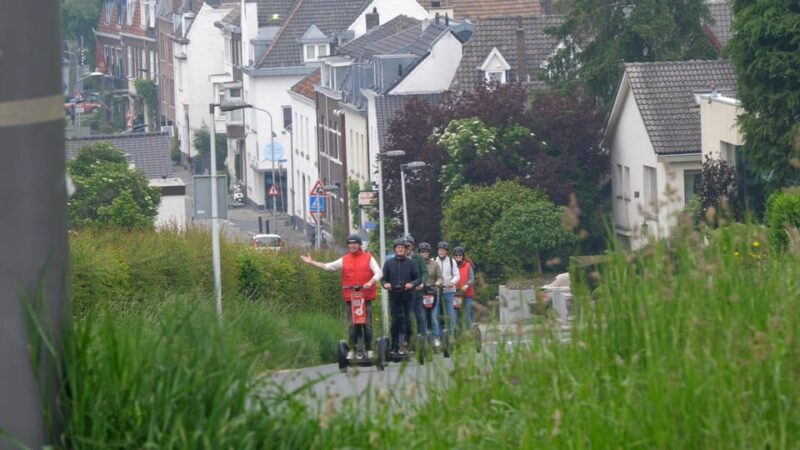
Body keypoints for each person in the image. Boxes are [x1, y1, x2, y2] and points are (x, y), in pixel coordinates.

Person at [301, 234, 381, 359]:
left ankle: (369, 348)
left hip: (366, 296)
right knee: (353, 325)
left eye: (355, 243)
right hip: (351, 297)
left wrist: (370, 282)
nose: (352, 245)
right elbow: (328, 267)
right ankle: (352, 349)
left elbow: (378, 272)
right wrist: (311, 262)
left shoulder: (368, 258)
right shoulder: (345, 259)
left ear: (359, 245)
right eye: (350, 243)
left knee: (367, 325)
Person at [381, 238, 421, 354]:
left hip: (408, 296)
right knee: (395, 321)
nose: (400, 250)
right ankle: (394, 345)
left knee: (408, 320)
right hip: (394, 295)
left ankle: (408, 343)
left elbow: (418, 278)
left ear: (406, 250)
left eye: (402, 248)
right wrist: (385, 284)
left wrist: (411, 284)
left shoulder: (411, 263)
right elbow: (383, 279)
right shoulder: (389, 263)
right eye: (398, 248)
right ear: (395, 249)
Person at [404, 235, 428, 346]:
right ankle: (408, 340)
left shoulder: (418, 258)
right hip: (405, 294)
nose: (408, 247)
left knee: (420, 316)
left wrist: (422, 283)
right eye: (406, 245)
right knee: (407, 317)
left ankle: (423, 339)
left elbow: (425, 272)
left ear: (412, 246)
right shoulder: (400, 258)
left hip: (417, 293)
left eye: (409, 245)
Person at [418, 242, 443, 347]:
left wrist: (438, 283)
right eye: (422, 252)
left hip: (433, 292)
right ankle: (423, 338)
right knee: (422, 317)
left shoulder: (435, 264)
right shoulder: (416, 264)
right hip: (420, 293)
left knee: (433, 317)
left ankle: (436, 338)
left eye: (426, 252)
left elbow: (440, 277)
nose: (424, 253)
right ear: (419, 253)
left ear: (429, 253)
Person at [436, 241, 460, 335]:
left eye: (444, 250)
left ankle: (452, 335)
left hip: (449, 290)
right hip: (437, 291)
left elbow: (457, 275)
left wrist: (452, 282)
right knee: (436, 314)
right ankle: (438, 336)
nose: (442, 252)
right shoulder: (433, 260)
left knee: (451, 313)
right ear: (438, 251)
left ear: (446, 251)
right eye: (440, 250)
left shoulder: (451, 261)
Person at [453, 246, 475, 331]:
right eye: (456, 255)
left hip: (467, 293)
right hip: (456, 294)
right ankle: (458, 333)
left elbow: (472, 278)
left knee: (467, 313)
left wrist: (466, 285)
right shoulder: (452, 265)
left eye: (460, 255)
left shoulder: (468, 265)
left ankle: (469, 332)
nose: (458, 256)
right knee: (456, 314)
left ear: (463, 255)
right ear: (454, 256)